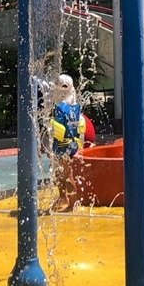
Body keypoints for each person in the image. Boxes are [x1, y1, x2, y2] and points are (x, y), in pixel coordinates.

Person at [50, 73, 83, 212]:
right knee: (60, 172)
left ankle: (72, 203)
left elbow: (58, 128)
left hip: (62, 144)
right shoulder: (75, 107)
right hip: (72, 143)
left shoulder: (60, 108)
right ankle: (63, 198)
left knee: (67, 174)